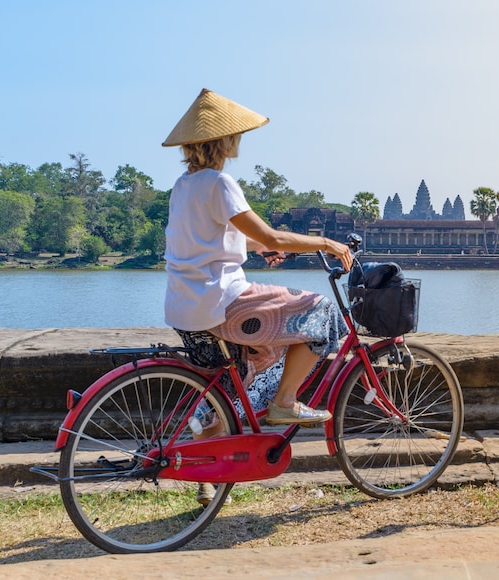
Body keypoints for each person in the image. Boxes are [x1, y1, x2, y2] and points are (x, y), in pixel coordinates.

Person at [162, 89, 353, 502]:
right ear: (226, 141)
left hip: (183, 306)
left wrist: (257, 248)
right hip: (221, 301)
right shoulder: (219, 182)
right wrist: (325, 243)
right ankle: (286, 400)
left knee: (233, 385)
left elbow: (207, 242)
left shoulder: (183, 186)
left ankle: (206, 474)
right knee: (321, 313)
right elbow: (268, 232)